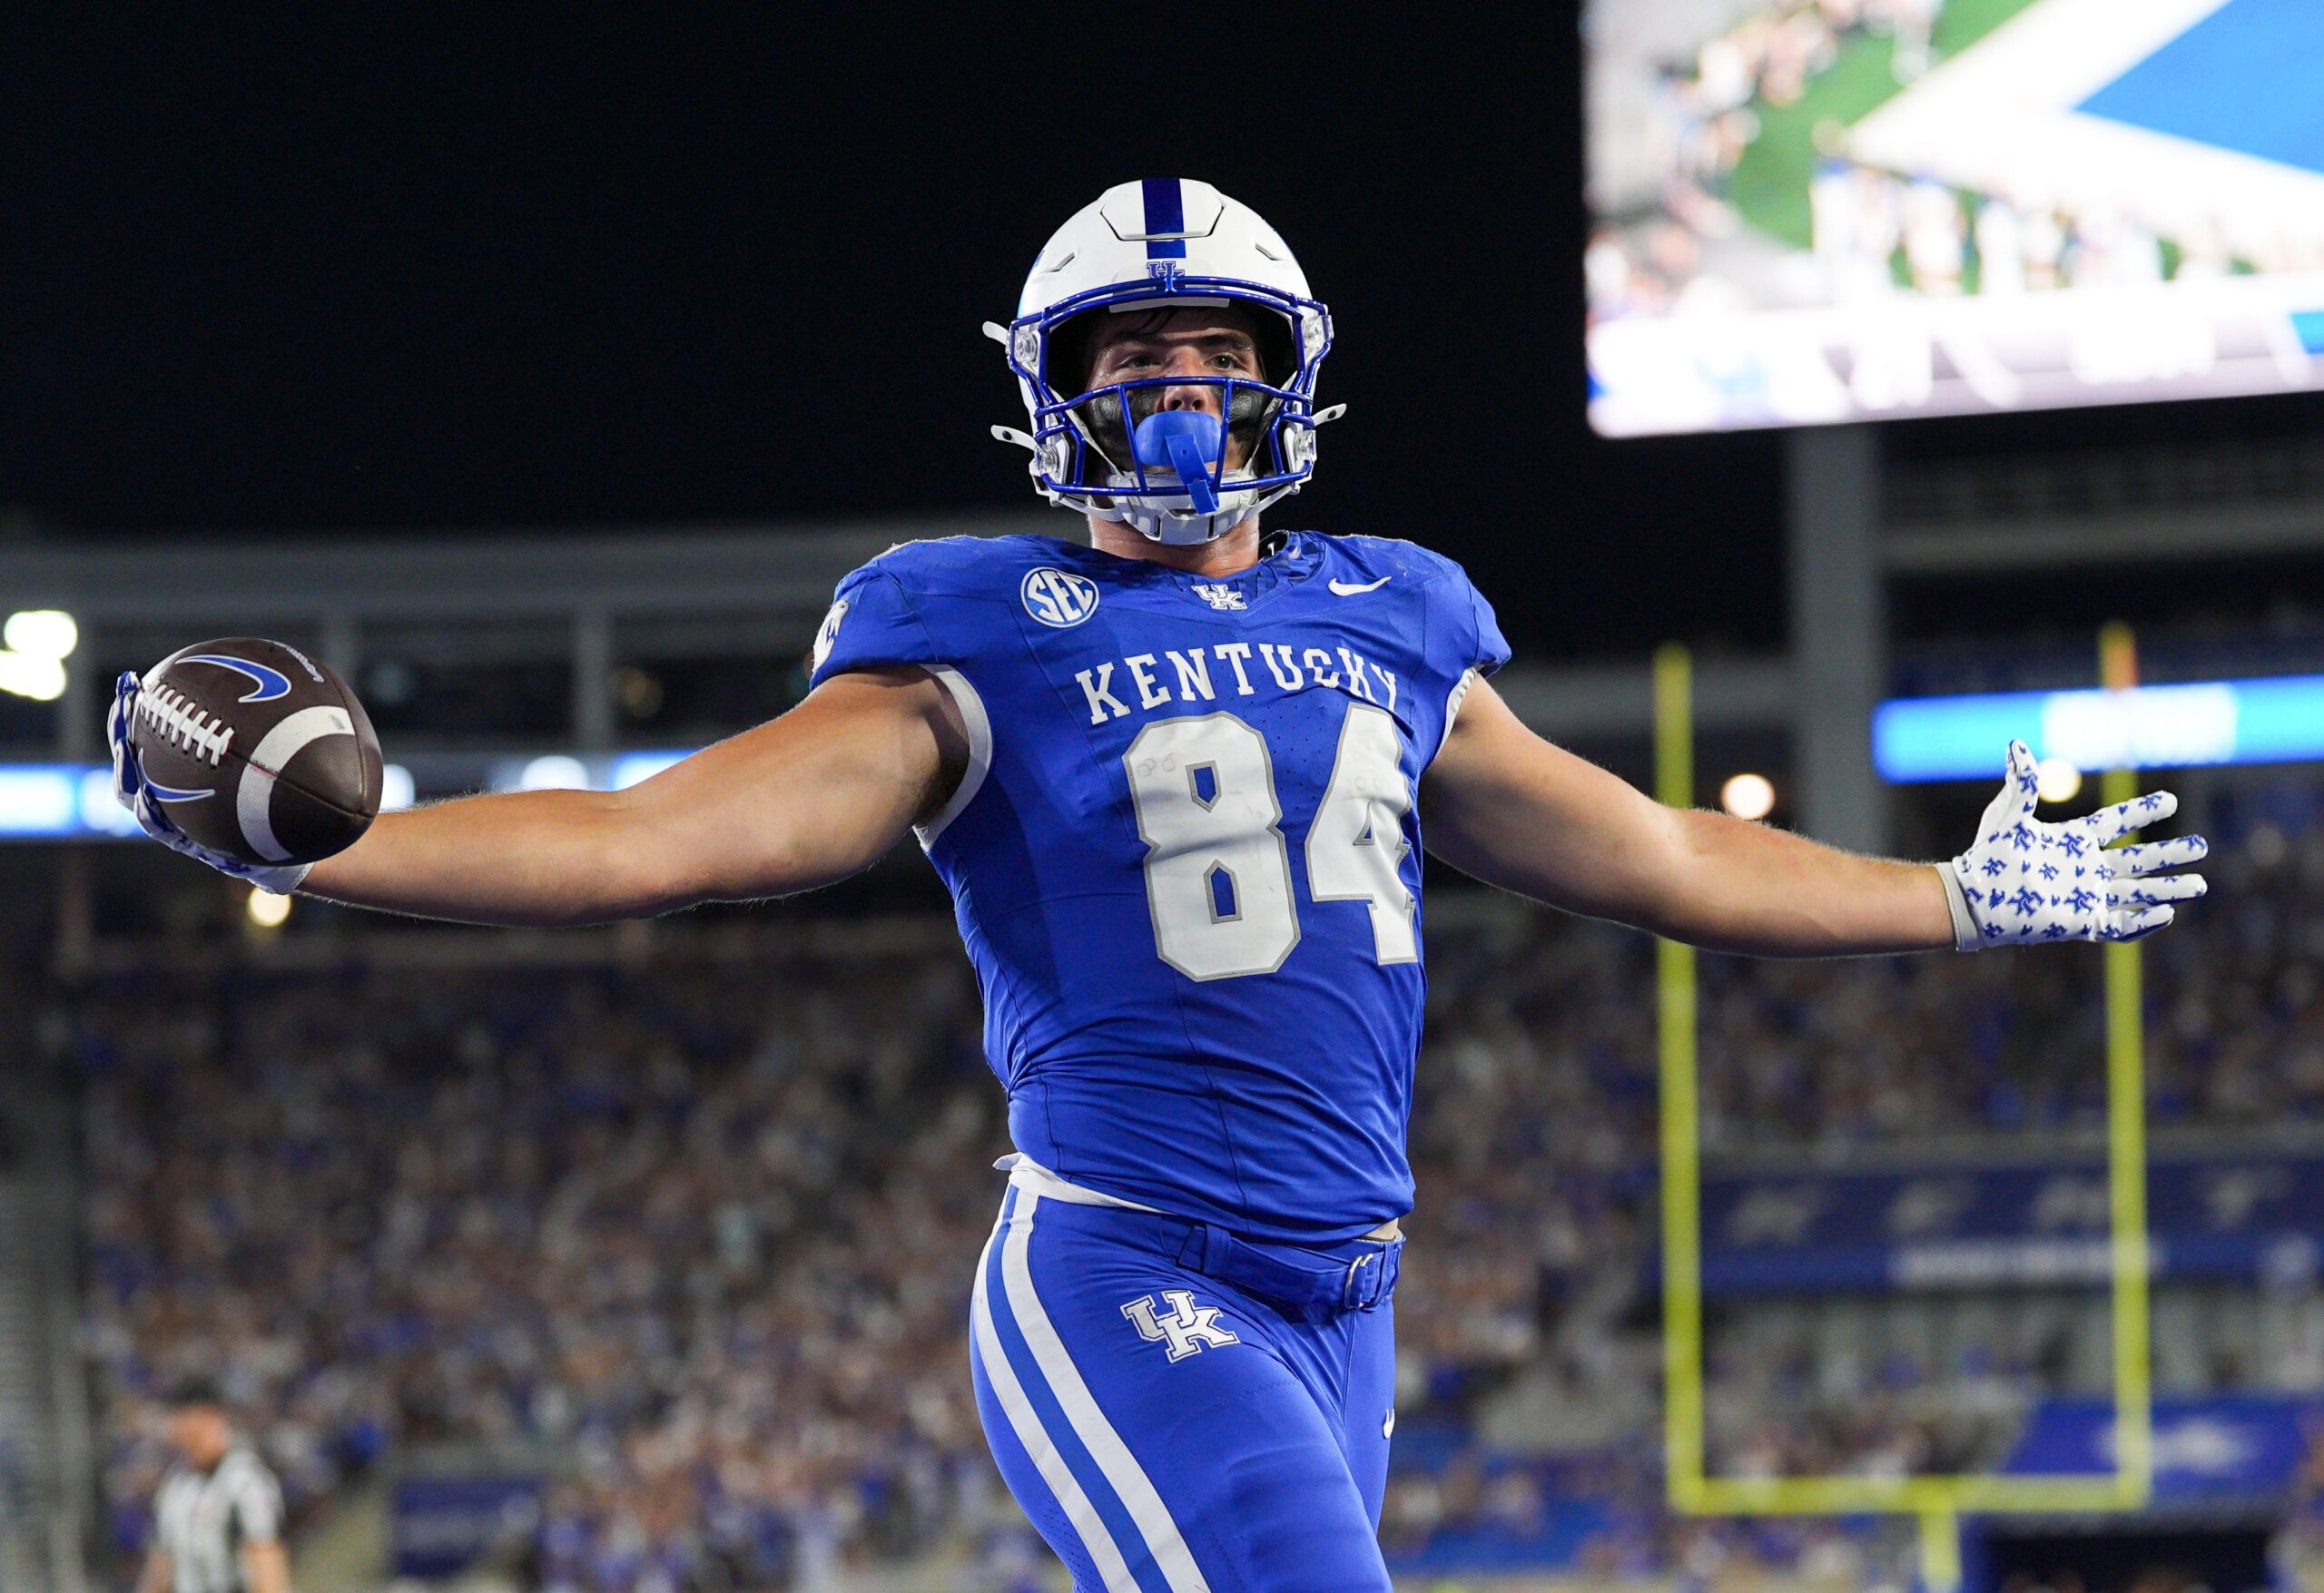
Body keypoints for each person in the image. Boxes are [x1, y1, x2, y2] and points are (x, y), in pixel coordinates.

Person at [110, 180, 2209, 1591]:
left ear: (1289, 380)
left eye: (1215, 355)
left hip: (1349, 1293)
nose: (1178, 397)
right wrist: (351, 838)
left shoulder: (1393, 620)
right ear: (1054, 391)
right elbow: (663, 836)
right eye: (1130, 359)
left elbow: (1653, 849)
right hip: (1124, 1268)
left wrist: (1944, 895)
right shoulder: (974, 630)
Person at [137, 1379, 290, 1593]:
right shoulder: (174, 1487)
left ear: (209, 1415)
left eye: (183, 1416)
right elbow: (160, 1568)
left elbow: (266, 1558)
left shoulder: (243, 1480)